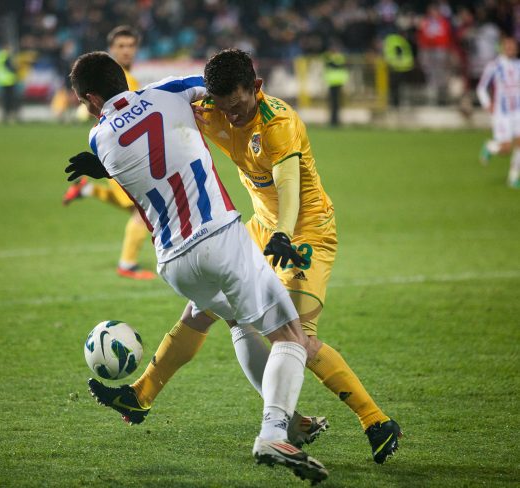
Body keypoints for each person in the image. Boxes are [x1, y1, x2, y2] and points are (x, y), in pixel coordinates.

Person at [90, 49, 402, 465]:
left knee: (299, 338)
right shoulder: (212, 110)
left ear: (255, 88)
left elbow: (288, 183)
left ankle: (375, 420)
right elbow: (152, 128)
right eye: (223, 107)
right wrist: (105, 164)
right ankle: (141, 395)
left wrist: (284, 233)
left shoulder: (279, 122)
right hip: (261, 227)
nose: (231, 116)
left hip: (305, 233)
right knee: (202, 310)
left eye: (238, 106)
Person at [69, 51, 328, 483]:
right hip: (219, 236)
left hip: (173, 261)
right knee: (290, 335)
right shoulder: (168, 91)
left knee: (238, 324)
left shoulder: (98, 138)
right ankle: (273, 432)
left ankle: (290, 422)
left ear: (93, 99)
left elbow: (130, 145)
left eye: (81, 102)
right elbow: (217, 86)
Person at [63, 26, 155, 280]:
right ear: (111, 49)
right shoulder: (116, 80)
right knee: (141, 210)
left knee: (137, 207)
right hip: (122, 154)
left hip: (116, 153)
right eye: (121, 46)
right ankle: (127, 264)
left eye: (130, 45)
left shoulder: (127, 79)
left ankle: (87, 190)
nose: (126, 51)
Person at [477, 35, 520, 189]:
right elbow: (481, 87)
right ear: (502, 48)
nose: (511, 49)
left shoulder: (518, 65)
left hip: (518, 112)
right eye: (508, 46)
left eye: (513, 46)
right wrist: (488, 104)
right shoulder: (494, 66)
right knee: (506, 148)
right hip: (502, 113)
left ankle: (514, 178)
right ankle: (490, 147)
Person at [0, 43, 20, 123]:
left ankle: (5, 116)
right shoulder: (5, 56)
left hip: (1, 80)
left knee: (5, 100)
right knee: (10, 100)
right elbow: (10, 67)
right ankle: (11, 116)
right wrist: (16, 68)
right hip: (8, 80)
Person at [323, 42, 349, 127]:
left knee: (336, 103)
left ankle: (335, 121)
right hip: (333, 83)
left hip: (337, 82)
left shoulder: (336, 57)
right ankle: (334, 121)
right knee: (334, 103)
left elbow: (334, 64)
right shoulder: (333, 57)